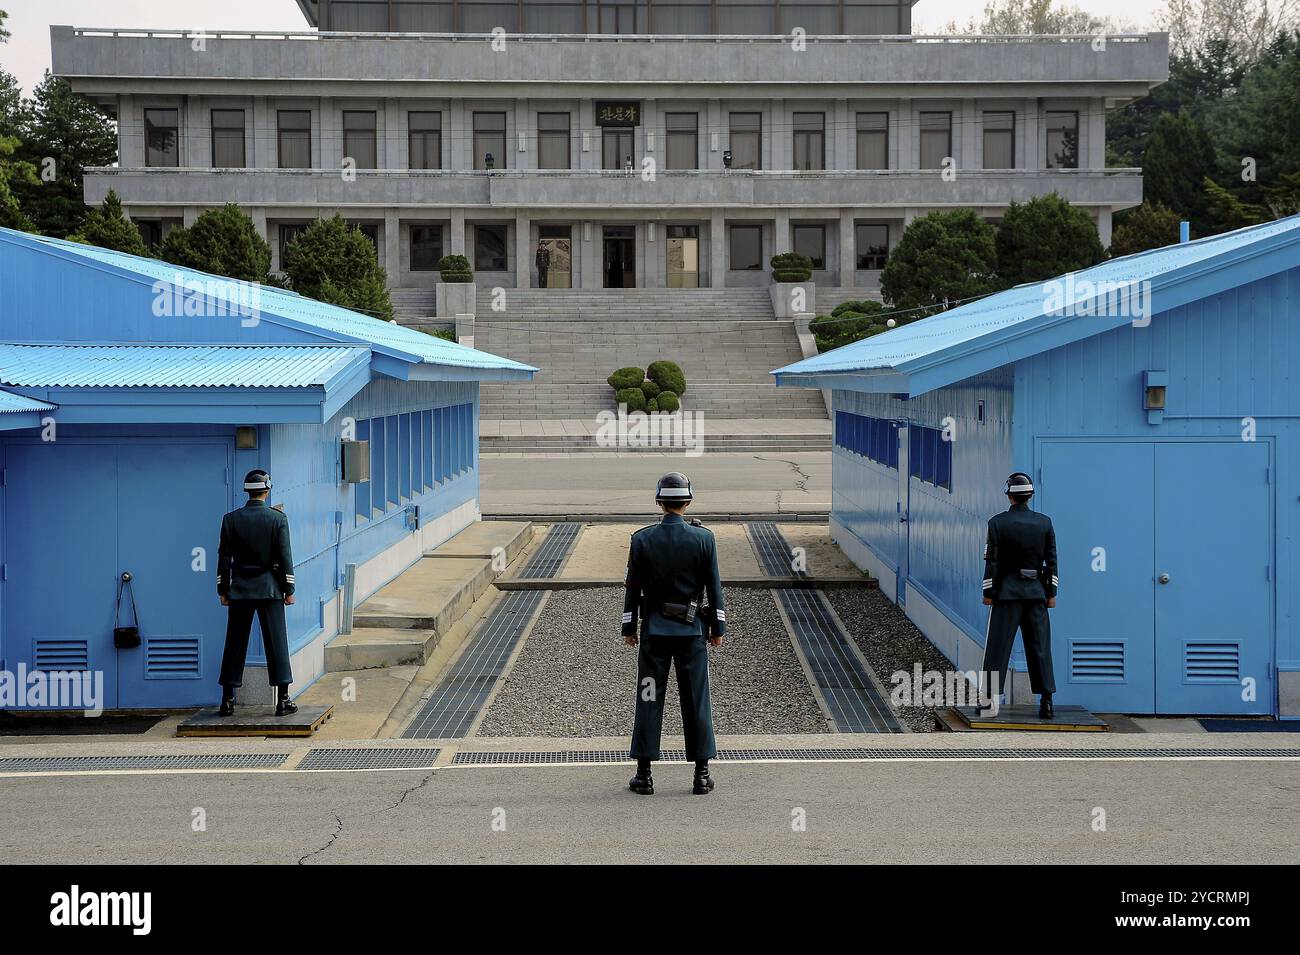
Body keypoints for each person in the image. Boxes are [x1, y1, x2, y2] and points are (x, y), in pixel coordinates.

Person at [622, 472, 726, 795]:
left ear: (659, 502)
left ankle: (644, 774)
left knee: (649, 697)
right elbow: (714, 588)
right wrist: (718, 628)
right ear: (688, 501)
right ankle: (701, 774)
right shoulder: (704, 539)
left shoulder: (642, 540)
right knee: (696, 699)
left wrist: (629, 626)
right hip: (692, 633)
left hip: (654, 634)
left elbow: (632, 588)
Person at [216, 469, 297, 717]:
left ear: (246, 491)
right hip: (270, 588)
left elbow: (224, 558)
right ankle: (282, 700)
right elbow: (285, 558)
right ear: (267, 489)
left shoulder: (231, 519)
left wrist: (223, 589)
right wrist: (289, 589)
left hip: (240, 589)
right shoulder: (277, 519)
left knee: (234, 644)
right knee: (277, 643)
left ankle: (228, 700)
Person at [981, 472, 1058, 718]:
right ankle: (1046, 701)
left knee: (998, 647)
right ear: (1030, 495)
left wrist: (988, 592)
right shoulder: (1045, 522)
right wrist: (1051, 592)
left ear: (1009, 496)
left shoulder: (996, 523)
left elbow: (992, 562)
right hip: (1036, 593)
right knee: (1040, 647)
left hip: (1007, 594)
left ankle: (990, 703)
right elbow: (1052, 561)